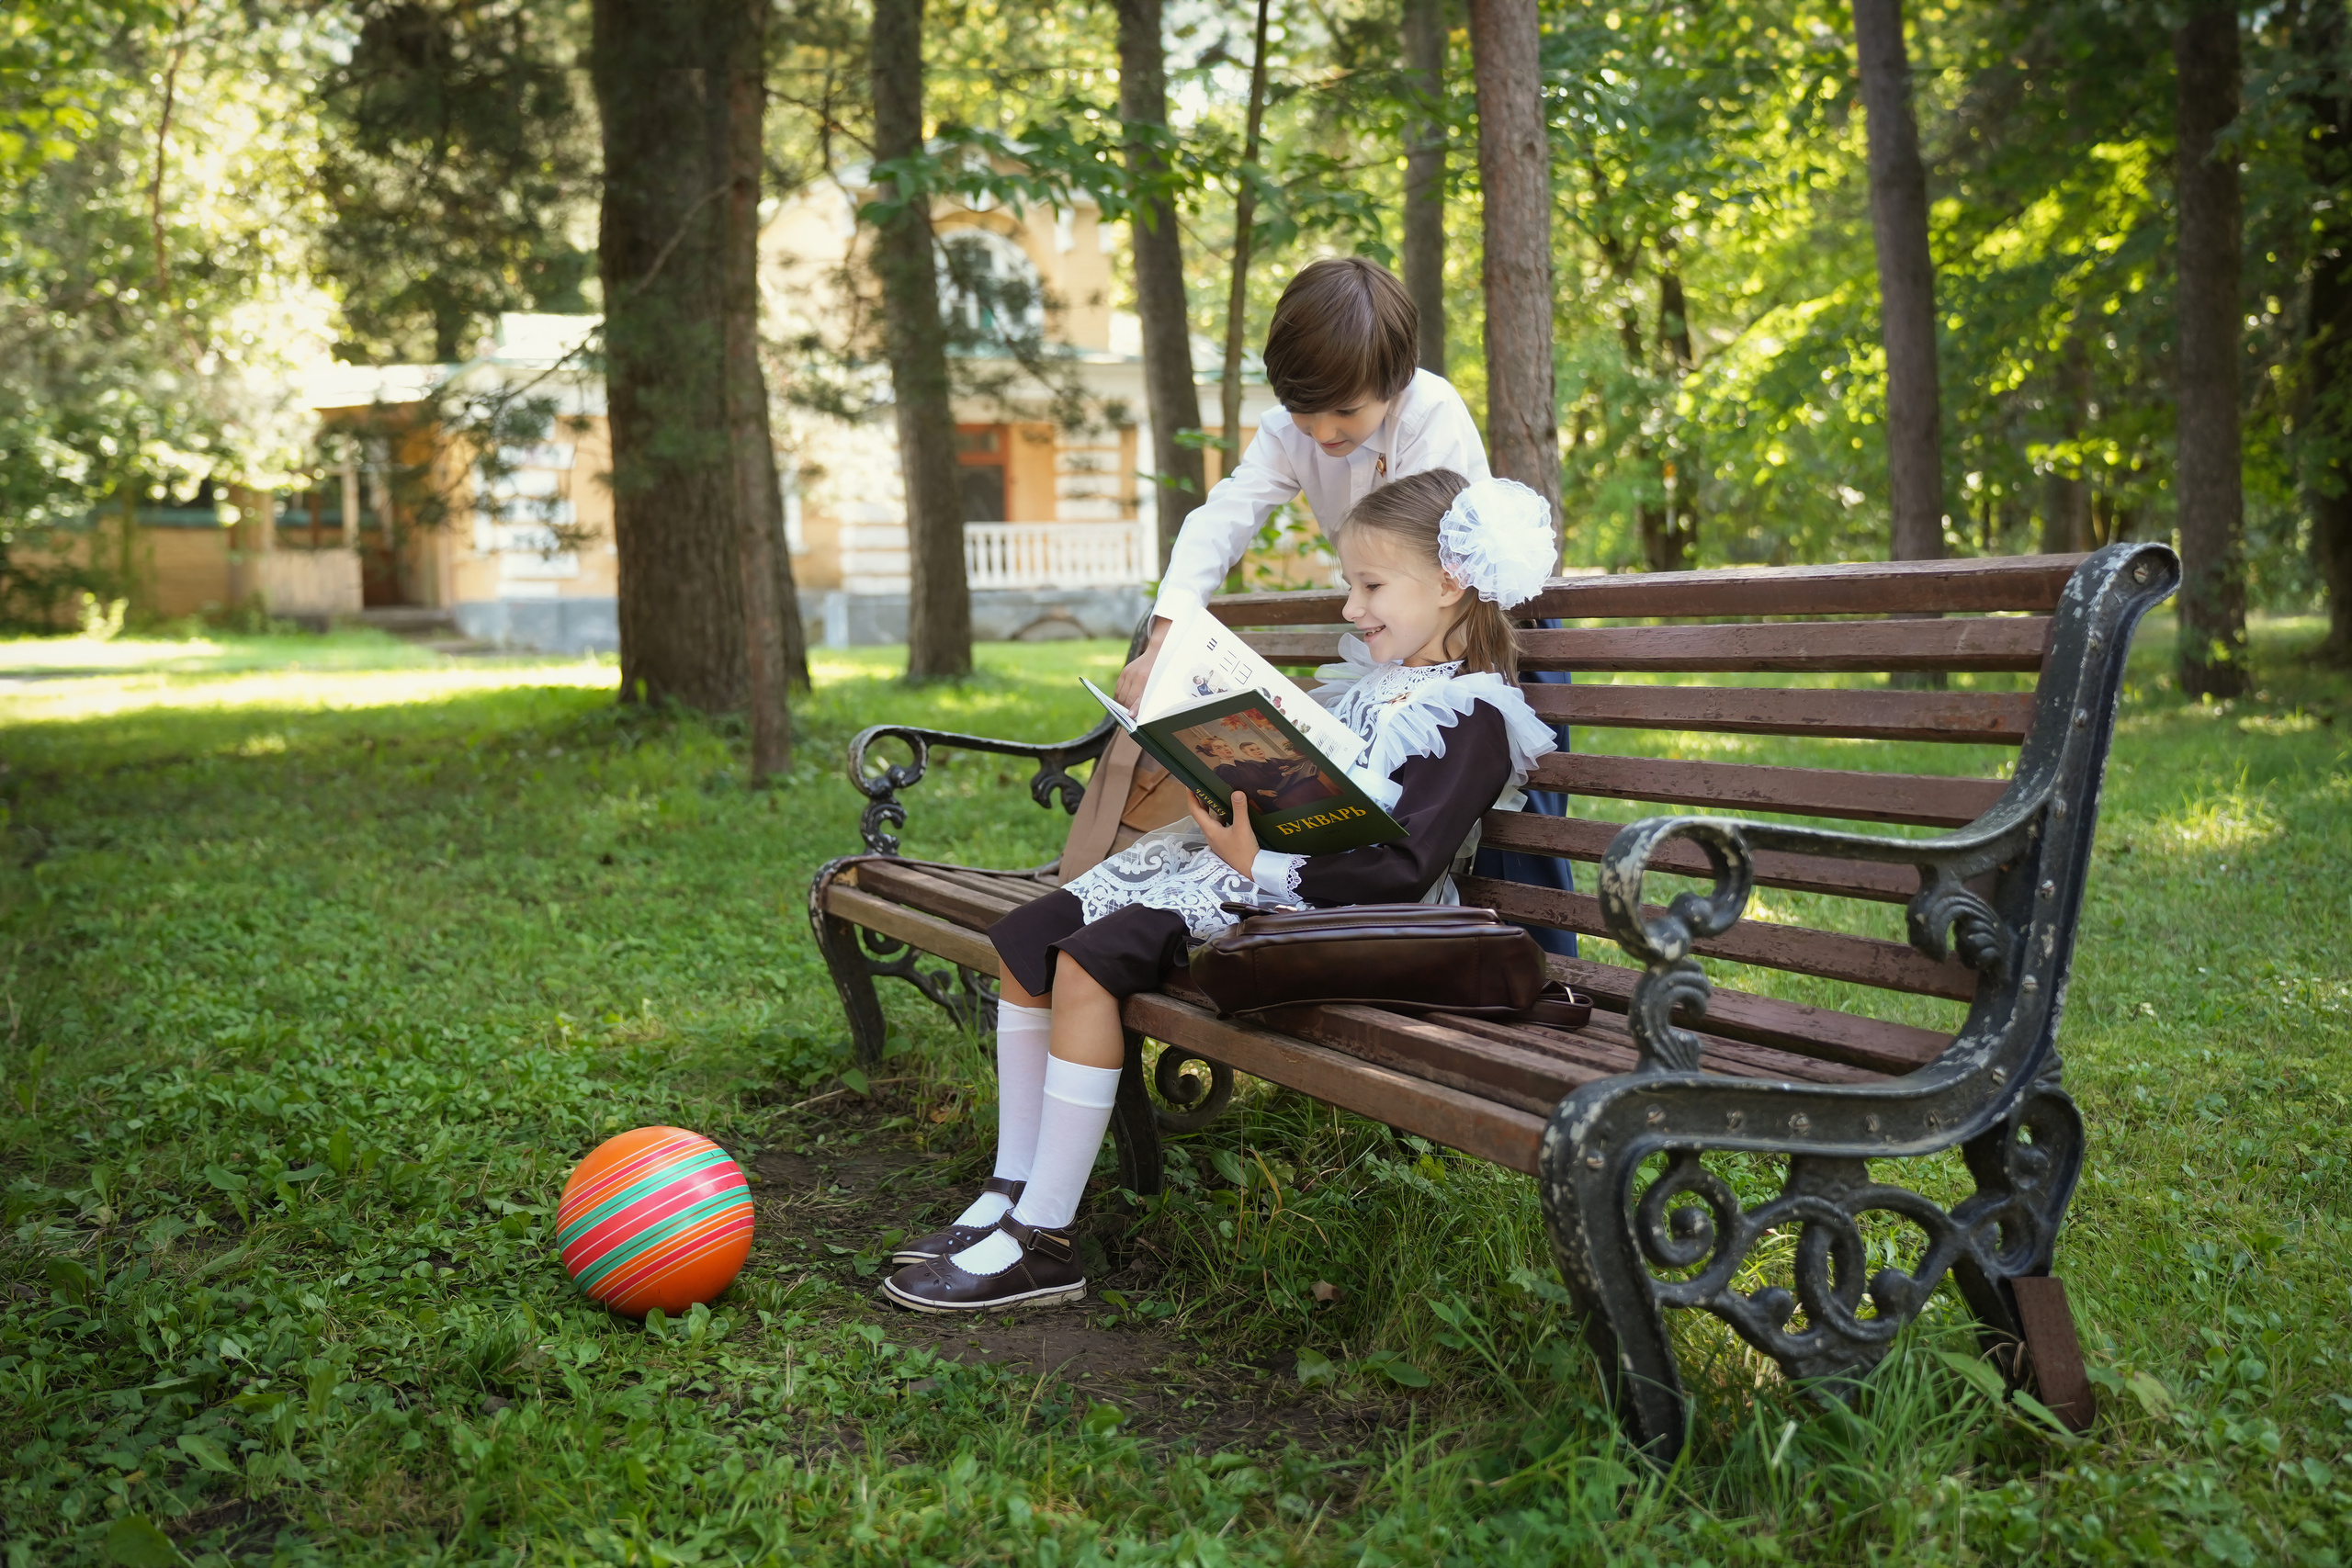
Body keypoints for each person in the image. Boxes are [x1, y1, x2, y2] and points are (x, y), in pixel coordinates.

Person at [883, 469, 1562, 1313]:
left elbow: (1405, 867)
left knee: (1091, 960)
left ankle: (1046, 1239)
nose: (1352, 608)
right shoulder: (1369, 685)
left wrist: (1257, 862)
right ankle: (1009, 1192)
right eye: (1352, 585)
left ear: (1451, 582)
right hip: (1250, 870)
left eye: (1371, 586)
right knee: (1030, 932)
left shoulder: (1475, 715)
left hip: (1341, 911)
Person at [1113, 257, 1490, 711]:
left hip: (1464, 648)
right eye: (1302, 409)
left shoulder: (1428, 414)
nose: (1324, 432)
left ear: (1397, 380)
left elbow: (1427, 571)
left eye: (1346, 411)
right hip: (1391, 645)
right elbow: (1218, 524)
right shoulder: (1283, 433)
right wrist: (1163, 645)